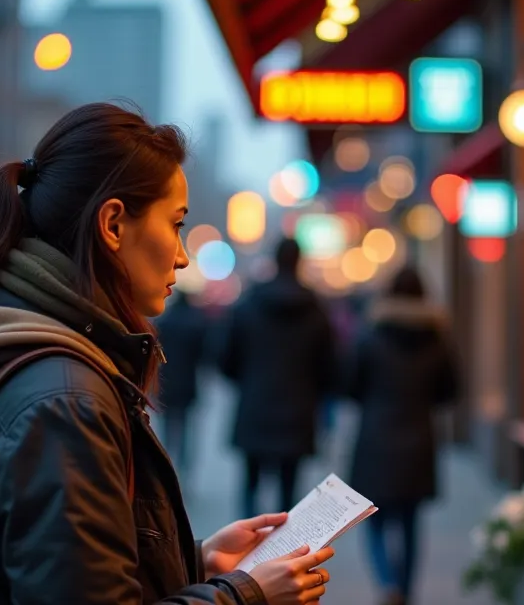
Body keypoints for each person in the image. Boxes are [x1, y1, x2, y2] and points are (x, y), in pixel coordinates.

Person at [0, 103, 334, 605]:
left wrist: (197, 559)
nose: (183, 255)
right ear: (114, 225)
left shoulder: (21, 354)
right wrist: (243, 596)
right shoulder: (63, 400)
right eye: (177, 223)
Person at [344, 268, 459, 605]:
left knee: (374, 519)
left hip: (376, 438)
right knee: (410, 522)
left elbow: (350, 384)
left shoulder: (370, 335)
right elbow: (450, 391)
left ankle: (387, 582)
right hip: (419, 438)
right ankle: (405, 591)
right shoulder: (437, 339)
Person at [219, 238, 336, 519]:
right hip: (297, 410)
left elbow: (224, 357)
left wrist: (248, 381)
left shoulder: (249, 305)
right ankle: (282, 553)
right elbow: (330, 368)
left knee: (250, 484)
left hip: (255, 406)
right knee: (289, 490)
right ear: (299, 261)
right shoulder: (316, 311)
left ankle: (247, 549)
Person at [155, 290, 208, 473]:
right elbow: (203, 355)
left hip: (165, 380)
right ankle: (184, 467)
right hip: (187, 381)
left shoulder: (164, 321)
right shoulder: (195, 323)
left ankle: (165, 462)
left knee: (166, 426)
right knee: (184, 427)